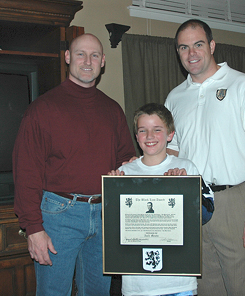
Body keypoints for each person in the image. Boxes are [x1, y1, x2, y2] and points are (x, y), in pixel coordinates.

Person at [12, 33, 136, 296]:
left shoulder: (112, 109)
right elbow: (26, 173)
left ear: (103, 61)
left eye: (94, 55)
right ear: (68, 57)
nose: (87, 61)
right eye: (80, 54)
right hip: (58, 218)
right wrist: (33, 228)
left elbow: (126, 161)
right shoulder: (42, 109)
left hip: (104, 215)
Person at [164, 19, 245, 296]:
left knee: (242, 288)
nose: (191, 53)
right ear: (178, 53)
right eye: (183, 47)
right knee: (204, 288)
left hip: (235, 203)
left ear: (212, 45)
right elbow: (171, 152)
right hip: (192, 203)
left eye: (198, 44)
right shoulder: (174, 98)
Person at [109, 102, 214, 296]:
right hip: (137, 283)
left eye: (157, 130)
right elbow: (110, 227)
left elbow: (206, 214)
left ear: (170, 134)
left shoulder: (186, 168)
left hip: (179, 281)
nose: (149, 136)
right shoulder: (124, 173)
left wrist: (186, 188)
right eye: (143, 130)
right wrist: (113, 196)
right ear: (136, 136)